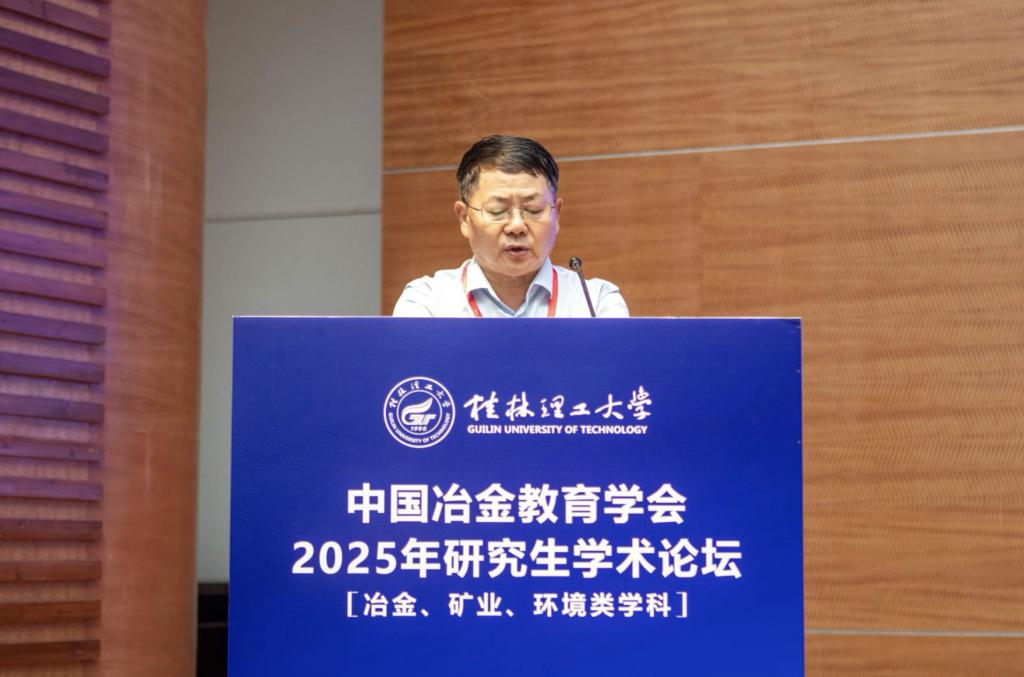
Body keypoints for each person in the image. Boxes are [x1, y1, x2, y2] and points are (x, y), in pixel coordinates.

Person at [392, 135, 629, 318]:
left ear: (556, 215)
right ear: (464, 218)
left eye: (533, 209)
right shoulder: (427, 302)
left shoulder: (596, 303)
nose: (517, 226)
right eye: (498, 211)